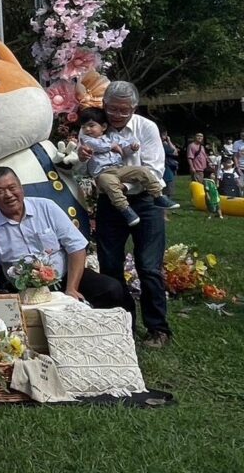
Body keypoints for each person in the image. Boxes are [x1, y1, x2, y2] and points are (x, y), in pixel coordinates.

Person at [81, 81, 174, 348]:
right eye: (112, 109)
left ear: (134, 107)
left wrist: (125, 186)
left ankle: (158, 329)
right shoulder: (94, 127)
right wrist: (83, 156)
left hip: (144, 201)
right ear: (104, 105)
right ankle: (122, 326)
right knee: (111, 265)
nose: (118, 116)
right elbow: (85, 167)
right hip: (110, 203)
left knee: (148, 267)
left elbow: (154, 168)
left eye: (124, 110)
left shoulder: (146, 128)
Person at [0, 167, 123, 311]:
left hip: (64, 277)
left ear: (21, 187)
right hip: (22, 288)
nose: (8, 195)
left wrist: (71, 288)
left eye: (12, 187)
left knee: (111, 289)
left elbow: (76, 247)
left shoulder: (46, 207)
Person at [77, 107, 178, 226]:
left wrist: (131, 147)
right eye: (84, 127)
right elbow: (98, 146)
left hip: (119, 168)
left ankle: (158, 195)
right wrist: (112, 146)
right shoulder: (86, 140)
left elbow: (123, 147)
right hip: (103, 173)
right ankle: (125, 209)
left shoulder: (111, 136)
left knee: (142, 171)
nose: (87, 129)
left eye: (91, 125)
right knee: (110, 184)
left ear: (103, 127)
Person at [160, 128, 180, 197]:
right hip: (166, 169)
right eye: (165, 135)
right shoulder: (163, 145)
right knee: (168, 189)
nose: (166, 137)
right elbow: (174, 152)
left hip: (163, 169)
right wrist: (169, 141)